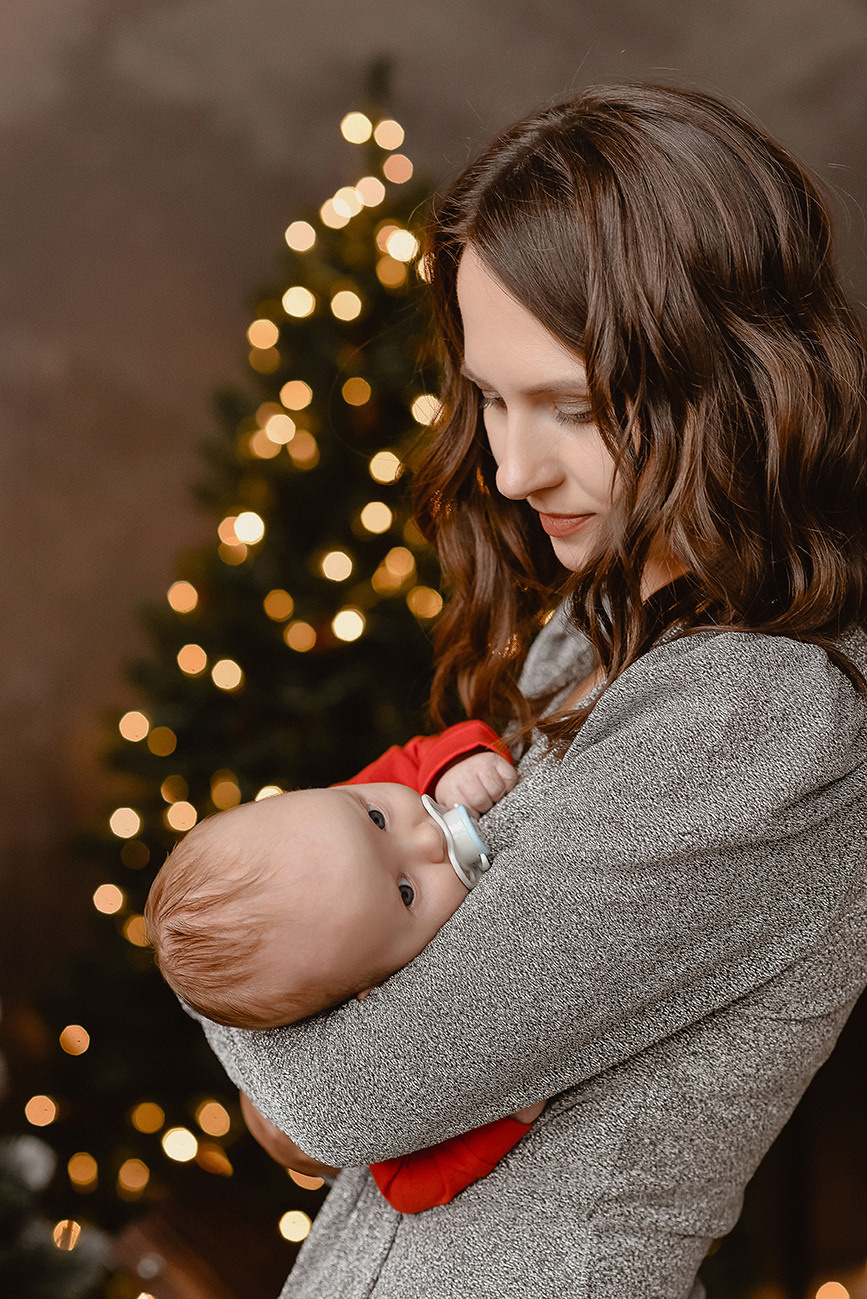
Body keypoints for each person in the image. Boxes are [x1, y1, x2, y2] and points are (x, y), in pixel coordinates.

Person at [190, 82, 867, 1298]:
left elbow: (347, 1099)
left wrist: (208, 966)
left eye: (574, 406)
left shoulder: (760, 718)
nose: (510, 466)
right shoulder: (603, 625)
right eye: (491, 398)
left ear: (734, 379)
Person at [145, 720, 544, 1213]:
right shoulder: (403, 1031)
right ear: (371, 990)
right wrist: (511, 1113)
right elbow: (405, 1186)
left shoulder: (341, 818)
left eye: (378, 819)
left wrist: (457, 764)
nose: (428, 838)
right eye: (405, 892)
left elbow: (420, 752)